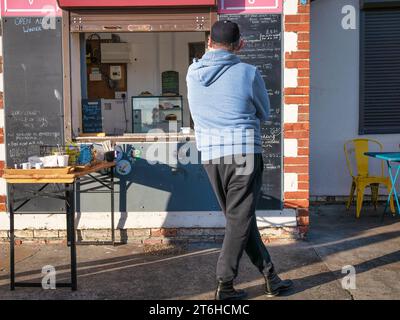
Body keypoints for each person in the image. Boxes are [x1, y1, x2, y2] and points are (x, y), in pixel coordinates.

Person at [186, 20, 293, 300]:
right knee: (239, 220)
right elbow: (265, 113)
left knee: (239, 220)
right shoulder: (248, 72)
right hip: (243, 152)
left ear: (208, 42)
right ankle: (224, 284)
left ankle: (271, 277)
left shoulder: (192, 73)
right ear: (240, 45)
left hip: (210, 155)